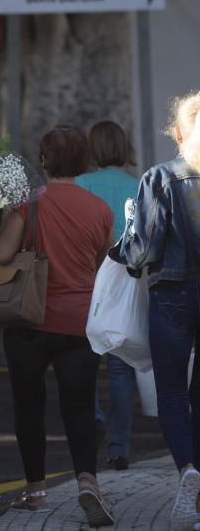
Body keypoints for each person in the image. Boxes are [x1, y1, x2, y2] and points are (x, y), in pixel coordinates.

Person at [0, 125, 114, 525]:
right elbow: (105, 265)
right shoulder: (99, 209)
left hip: (28, 320)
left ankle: (36, 491)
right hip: (80, 323)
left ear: (43, 161)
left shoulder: (29, 204)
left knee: (29, 406)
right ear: (83, 161)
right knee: (79, 407)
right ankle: (88, 483)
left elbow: (3, 253)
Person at [110, 91, 200, 531]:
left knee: (171, 393)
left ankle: (188, 471)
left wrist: (126, 239)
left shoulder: (160, 178)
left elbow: (140, 251)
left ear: (179, 134)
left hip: (172, 294)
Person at [77, 120, 139, 471]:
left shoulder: (82, 185)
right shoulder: (138, 185)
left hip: (87, 281)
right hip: (124, 285)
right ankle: (120, 446)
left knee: (84, 363)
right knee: (120, 369)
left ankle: (95, 418)